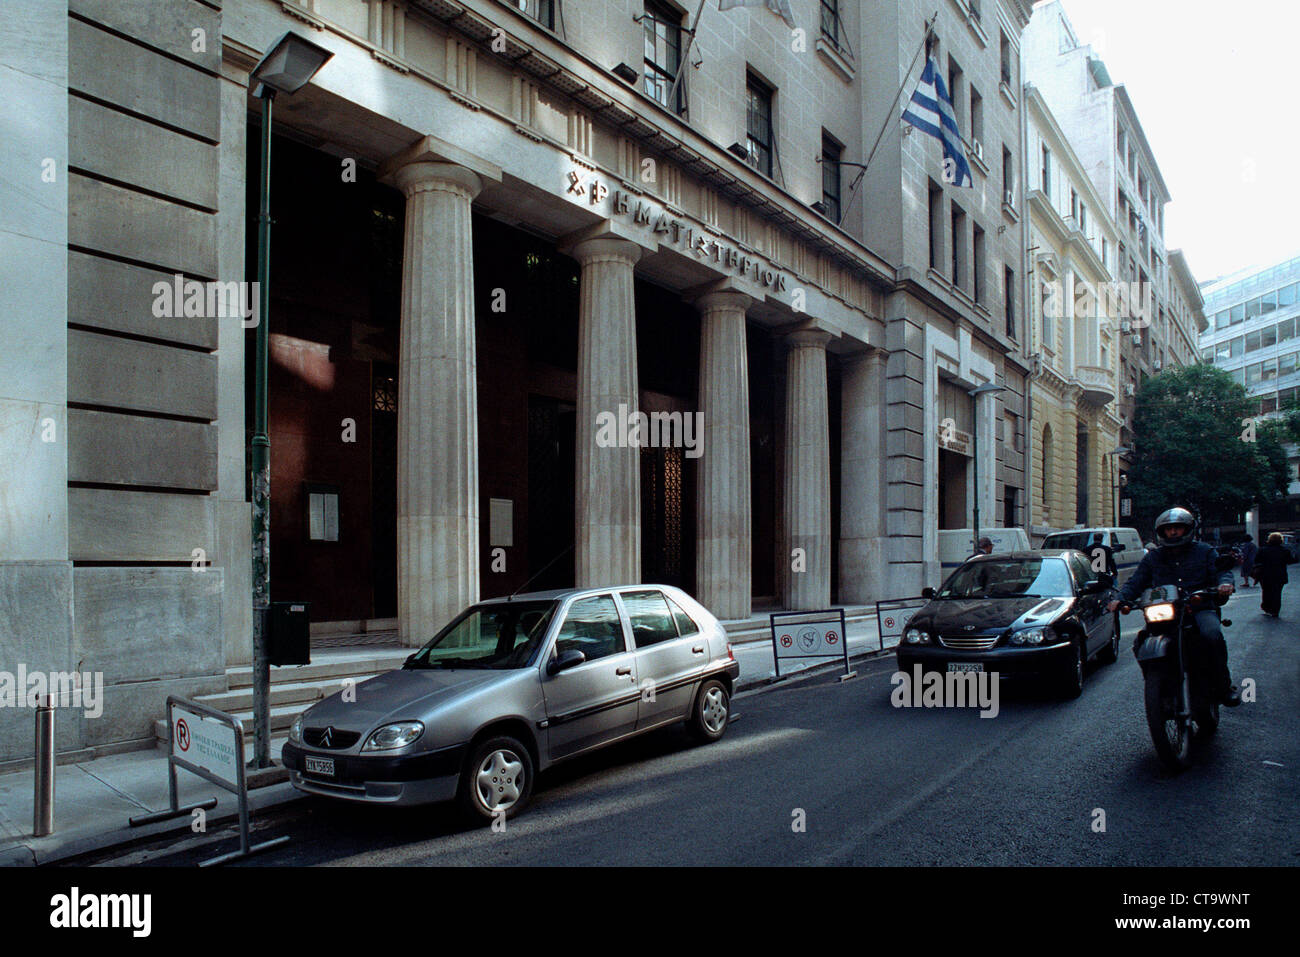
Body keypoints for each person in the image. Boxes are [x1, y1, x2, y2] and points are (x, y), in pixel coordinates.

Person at [1107, 507, 1240, 707]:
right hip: (1166, 611)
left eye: (1178, 528)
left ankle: (1223, 687)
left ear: (1188, 529)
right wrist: (1121, 598)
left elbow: (1221, 570)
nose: (1173, 532)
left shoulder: (1204, 551)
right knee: (1141, 642)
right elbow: (1137, 581)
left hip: (1199, 607)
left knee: (1212, 635)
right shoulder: (1153, 557)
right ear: (1162, 532)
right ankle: (1159, 686)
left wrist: (1224, 584)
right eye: (1169, 529)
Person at [1250, 531, 1296, 618]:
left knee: (1266, 591)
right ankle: (1275, 610)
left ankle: (1267, 607)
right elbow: (1290, 561)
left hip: (1265, 575)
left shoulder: (1263, 550)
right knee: (1277, 593)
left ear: (1269, 540)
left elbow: (1256, 561)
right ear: (1281, 540)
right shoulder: (1284, 551)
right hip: (1279, 575)